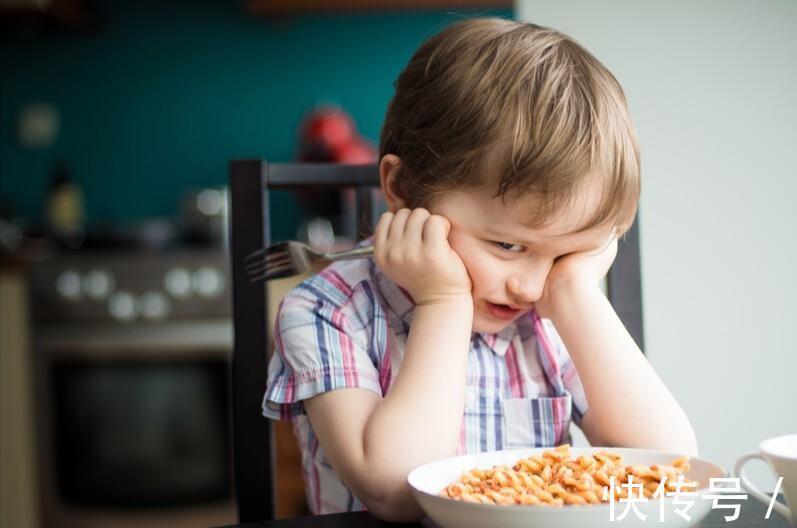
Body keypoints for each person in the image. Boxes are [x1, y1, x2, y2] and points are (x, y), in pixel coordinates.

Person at [262, 17, 697, 521]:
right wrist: (442, 303)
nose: (531, 286)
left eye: (562, 255)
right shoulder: (328, 312)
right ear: (402, 190)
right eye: (508, 244)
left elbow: (668, 466)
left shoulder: (553, 311)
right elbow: (395, 492)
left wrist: (578, 291)